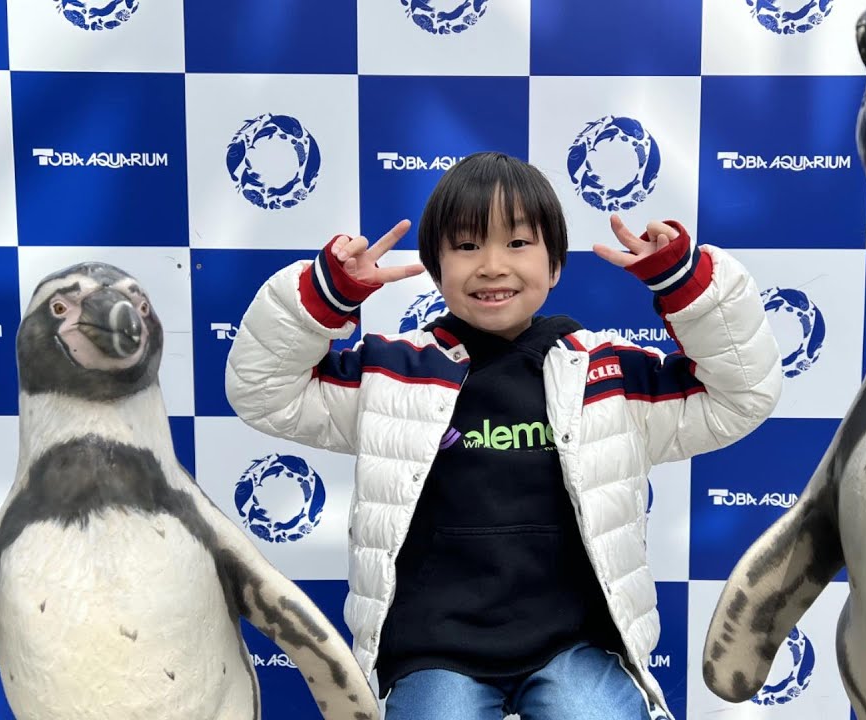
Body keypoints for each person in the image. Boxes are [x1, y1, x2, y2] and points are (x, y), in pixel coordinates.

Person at [225, 151, 782, 719]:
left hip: (577, 647)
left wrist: (688, 286)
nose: (492, 265)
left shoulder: (607, 375)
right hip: (433, 653)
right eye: (467, 247)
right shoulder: (392, 372)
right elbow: (264, 393)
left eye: (517, 244)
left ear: (555, 263)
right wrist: (324, 295)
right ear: (436, 268)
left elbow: (739, 396)